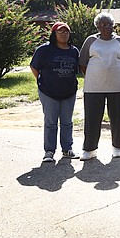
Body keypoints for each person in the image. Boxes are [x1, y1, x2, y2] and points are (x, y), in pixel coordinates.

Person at [79, 12, 120, 161]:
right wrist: (96, 74)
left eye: (110, 24)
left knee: (117, 118)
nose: (107, 27)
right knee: (92, 118)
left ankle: (117, 147)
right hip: (94, 87)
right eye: (104, 24)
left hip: (117, 86)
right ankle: (90, 149)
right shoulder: (91, 40)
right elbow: (82, 62)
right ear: (98, 26)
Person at [30, 22, 80, 162]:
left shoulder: (74, 51)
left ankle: (67, 149)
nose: (63, 34)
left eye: (66, 32)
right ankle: (49, 151)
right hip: (48, 92)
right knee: (51, 122)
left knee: (67, 122)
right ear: (54, 34)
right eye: (60, 32)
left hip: (69, 92)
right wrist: (42, 81)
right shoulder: (44, 50)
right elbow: (34, 67)